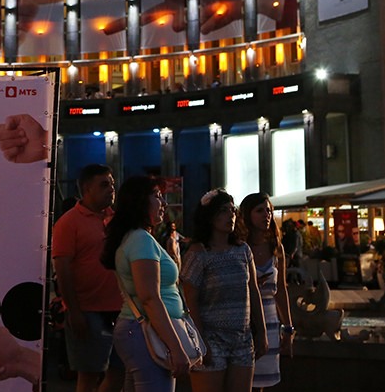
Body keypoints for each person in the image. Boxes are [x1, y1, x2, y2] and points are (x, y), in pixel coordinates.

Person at [101, 176, 191, 391]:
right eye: (158, 197)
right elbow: (150, 298)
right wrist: (176, 348)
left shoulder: (137, 238)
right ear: (140, 201)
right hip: (145, 331)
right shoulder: (141, 240)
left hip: (139, 331)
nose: (164, 204)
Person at [181, 189, 267, 392]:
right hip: (211, 338)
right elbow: (189, 301)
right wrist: (201, 342)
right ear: (210, 217)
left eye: (233, 211)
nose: (231, 216)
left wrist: (262, 332)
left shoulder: (243, 250)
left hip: (242, 339)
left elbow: (253, 291)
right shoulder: (198, 253)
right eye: (223, 211)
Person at [51, 163, 123, 392]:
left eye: (112, 184)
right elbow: (62, 269)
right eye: (104, 185)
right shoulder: (68, 223)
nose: (111, 189)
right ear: (86, 189)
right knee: (89, 377)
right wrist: (73, 310)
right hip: (87, 311)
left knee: (119, 373)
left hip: (121, 310)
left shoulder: (116, 220)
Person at [238, 194, 294, 391]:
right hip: (244, 319)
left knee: (263, 383)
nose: (266, 215)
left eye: (269, 210)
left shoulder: (276, 247)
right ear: (247, 214)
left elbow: (281, 291)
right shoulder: (238, 247)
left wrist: (288, 328)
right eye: (260, 210)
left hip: (270, 320)